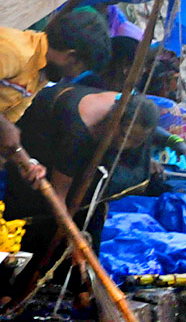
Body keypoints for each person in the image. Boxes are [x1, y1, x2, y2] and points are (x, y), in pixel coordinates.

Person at [6, 86, 161, 294]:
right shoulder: (78, 131)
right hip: (41, 149)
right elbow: (58, 195)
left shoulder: (133, 120)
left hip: (87, 159)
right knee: (42, 221)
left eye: (137, 141)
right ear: (115, 122)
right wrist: (74, 239)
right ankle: (16, 289)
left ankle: (81, 291)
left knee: (91, 214)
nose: (127, 146)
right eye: (126, 137)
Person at [0, 10, 111, 121]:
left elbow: (11, 116)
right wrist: (6, 127)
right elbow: (6, 124)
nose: (76, 75)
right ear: (70, 56)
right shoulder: (14, 53)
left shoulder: (41, 74)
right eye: (81, 70)